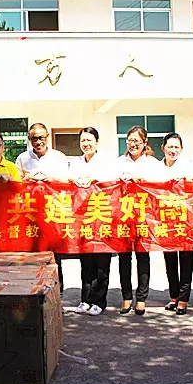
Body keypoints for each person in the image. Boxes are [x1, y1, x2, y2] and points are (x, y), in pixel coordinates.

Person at [16, 123, 70, 295]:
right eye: (34, 138)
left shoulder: (59, 157)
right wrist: (28, 179)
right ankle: (33, 289)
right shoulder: (22, 158)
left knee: (54, 254)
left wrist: (49, 178)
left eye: (41, 137)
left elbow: (66, 182)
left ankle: (57, 291)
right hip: (31, 213)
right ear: (29, 139)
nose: (38, 141)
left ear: (47, 136)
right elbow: (16, 186)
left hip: (53, 212)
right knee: (33, 253)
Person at [69, 127, 115, 316]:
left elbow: (112, 183)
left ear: (97, 142)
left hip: (101, 217)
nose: (86, 144)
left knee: (101, 261)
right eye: (83, 140)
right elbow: (68, 180)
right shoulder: (76, 162)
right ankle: (85, 299)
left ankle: (99, 301)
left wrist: (94, 180)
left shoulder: (105, 163)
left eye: (89, 140)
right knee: (85, 262)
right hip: (82, 219)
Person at [116, 125, 159, 316]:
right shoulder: (119, 162)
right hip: (123, 216)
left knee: (142, 257)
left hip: (143, 216)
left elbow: (159, 186)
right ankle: (126, 296)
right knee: (124, 258)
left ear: (144, 143)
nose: (133, 144)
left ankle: (141, 298)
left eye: (137, 141)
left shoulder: (151, 163)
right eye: (130, 140)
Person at [159, 132, 193, 316]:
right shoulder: (157, 168)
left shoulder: (188, 167)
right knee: (170, 259)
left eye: (176, 147)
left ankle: (184, 298)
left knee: (186, 260)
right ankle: (173, 295)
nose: (173, 150)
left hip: (185, 220)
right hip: (165, 219)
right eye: (170, 146)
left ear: (181, 149)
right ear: (163, 147)